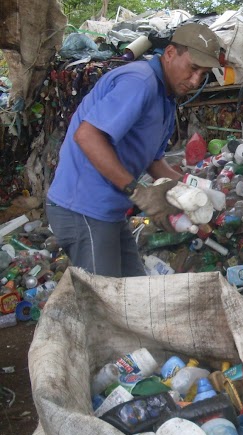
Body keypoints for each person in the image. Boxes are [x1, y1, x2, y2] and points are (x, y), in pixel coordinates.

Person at [46, 23, 222, 277]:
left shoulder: (165, 98)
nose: (195, 80)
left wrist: (188, 191)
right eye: (193, 68)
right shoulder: (140, 82)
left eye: (203, 74)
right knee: (106, 303)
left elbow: (153, 161)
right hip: (83, 208)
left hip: (110, 211)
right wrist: (138, 192)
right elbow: (87, 136)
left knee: (133, 292)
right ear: (170, 53)